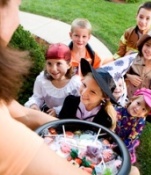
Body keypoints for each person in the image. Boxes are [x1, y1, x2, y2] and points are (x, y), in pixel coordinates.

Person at [0, 0, 91, 174]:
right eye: (16, 5)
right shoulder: (4, 134)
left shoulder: (74, 82)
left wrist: (72, 136)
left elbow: (24, 113)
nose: (17, 20)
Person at [58, 58, 118, 131]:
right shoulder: (70, 102)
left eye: (93, 92)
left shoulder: (105, 118)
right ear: (82, 80)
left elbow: (100, 140)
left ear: (104, 97)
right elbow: (60, 126)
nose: (84, 92)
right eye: (84, 85)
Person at [25, 43, 81, 117]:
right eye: (49, 63)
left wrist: (58, 110)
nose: (53, 69)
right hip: (47, 114)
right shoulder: (42, 79)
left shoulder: (75, 84)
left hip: (66, 119)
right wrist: (34, 104)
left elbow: (77, 105)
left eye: (58, 64)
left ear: (68, 65)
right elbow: (37, 97)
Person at [114, 88, 151, 164]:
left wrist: (119, 149)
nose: (138, 109)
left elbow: (131, 139)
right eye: (138, 103)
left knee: (121, 161)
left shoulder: (140, 122)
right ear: (132, 99)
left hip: (125, 142)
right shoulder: (118, 111)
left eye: (143, 109)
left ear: (145, 115)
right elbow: (109, 126)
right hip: (111, 137)